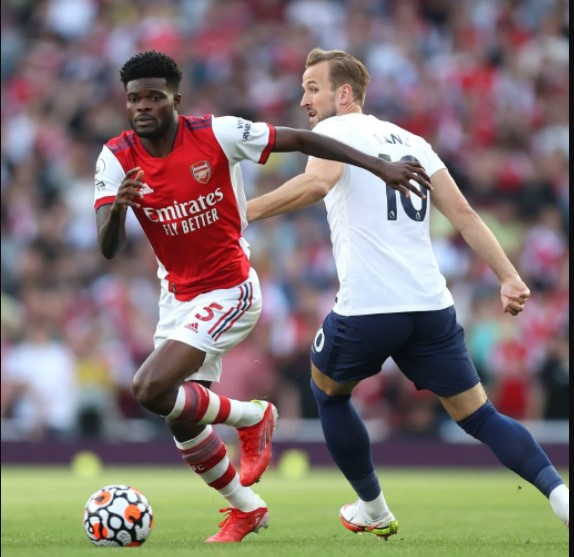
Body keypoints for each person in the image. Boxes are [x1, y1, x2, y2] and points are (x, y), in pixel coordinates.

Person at [93, 50, 431, 544]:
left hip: (230, 287)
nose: (142, 106)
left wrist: (379, 167)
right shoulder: (115, 157)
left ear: (175, 100)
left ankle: (254, 416)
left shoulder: (218, 133)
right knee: (181, 418)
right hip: (177, 294)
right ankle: (247, 508)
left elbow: (303, 139)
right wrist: (120, 209)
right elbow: (107, 247)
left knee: (149, 389)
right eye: (134, 99)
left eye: (153, 97)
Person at [247, 48, 569, 539]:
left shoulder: (334, 133)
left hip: (370, 307)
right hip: (430, 306)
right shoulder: (414, 141)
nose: (304, 100)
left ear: (344, 94)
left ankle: (373, 507)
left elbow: (314, 185)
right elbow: (463, 214)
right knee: (480, 415)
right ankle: (561, 495)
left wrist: (243, 212)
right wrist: (509, 276)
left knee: (328, 394)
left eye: (313, 88)